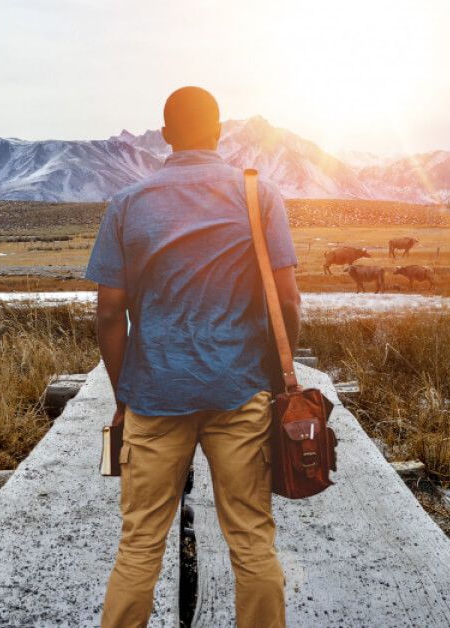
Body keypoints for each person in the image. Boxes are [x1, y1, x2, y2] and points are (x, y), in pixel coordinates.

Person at [86, 86, 300, 628]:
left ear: (165, 136)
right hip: (240, 390)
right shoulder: (260, 196)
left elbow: (109, 314)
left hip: (154, 397)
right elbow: (289, 300)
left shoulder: (127, 204)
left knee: (139, 544)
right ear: (219, 131)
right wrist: (278, 384)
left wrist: (123, 394)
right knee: (252, 539)